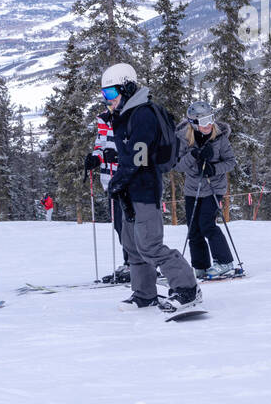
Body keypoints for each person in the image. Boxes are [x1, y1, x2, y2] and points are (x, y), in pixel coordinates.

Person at [101, 62, 201, 314]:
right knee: (132, 245)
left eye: (111, 93)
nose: (107, 100)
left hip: (144, 189)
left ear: (126, 87)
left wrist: (119, 179)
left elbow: (140, 156)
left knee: (149, 244)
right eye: (104, 95)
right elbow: (131, 151)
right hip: (130, 189)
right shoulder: (125, 114)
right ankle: (145, 294)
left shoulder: (142, 114)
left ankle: (188, 288)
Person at [175, 101, 238, 280]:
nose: (208, 125)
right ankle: (201, 266)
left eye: (210, 119)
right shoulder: (183, 138)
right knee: (193, 229)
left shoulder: (220, 138)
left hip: (213, 187)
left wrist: (214, 168)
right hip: (192, 189)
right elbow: (178, 165)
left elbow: (231, 162)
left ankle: (224, 262)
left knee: (207, 224)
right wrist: (193, 155)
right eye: (203, 121)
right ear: (194, 123)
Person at [84, 108, 124, 277]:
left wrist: (117, 157)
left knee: (129, 225)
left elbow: (139, 150)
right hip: (110, 181)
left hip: (127, 179)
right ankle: (130, 262)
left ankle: (141, 264)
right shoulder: (104, 120)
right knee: (119, 225)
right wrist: (95, 158)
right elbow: (101, 145)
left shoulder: (130, 117)